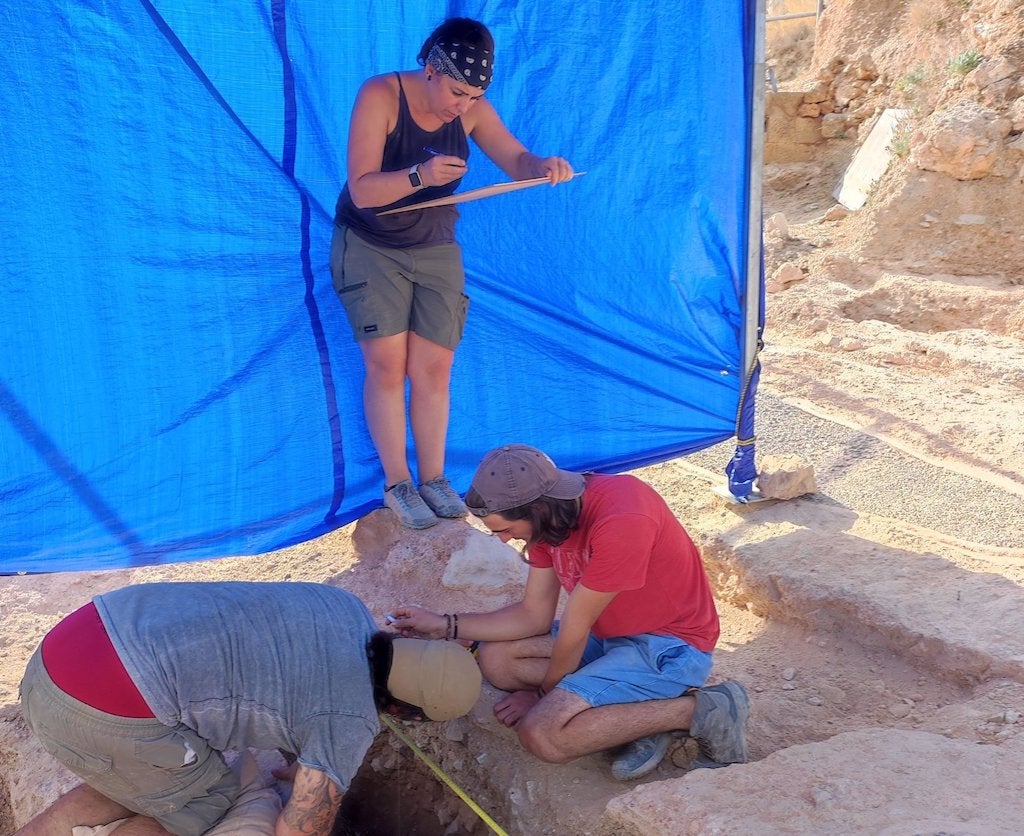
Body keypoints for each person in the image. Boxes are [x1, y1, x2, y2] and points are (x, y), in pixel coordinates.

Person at [330, 18, 574, 530]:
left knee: (435, 367)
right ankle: (398, 482)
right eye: (458, 92)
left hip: (435, 242)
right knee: (387, 366)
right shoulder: (380, 95)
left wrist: (543, 166)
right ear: (431, 68)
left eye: (475, 96)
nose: (462, 107)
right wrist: (419, 175)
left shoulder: (472, 111)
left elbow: (516, 159)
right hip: (371, 243)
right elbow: (363, 191)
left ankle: (435, 479)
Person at [389, 444, 750, 781]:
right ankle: (639, 715)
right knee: (496, 659)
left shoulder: (623, 518)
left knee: (543, 734)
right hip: (609, 635)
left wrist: (542, 696)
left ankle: (699, 711)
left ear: (536, 510)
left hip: (667, 647)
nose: (503, 539)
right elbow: (533, 615)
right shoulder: (552, 520)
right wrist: (444, 625)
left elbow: (575, 629)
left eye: (505, 529)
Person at [15, 581, 481, 835]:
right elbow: (300, 831)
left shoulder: (343, 605)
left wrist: (305, 767)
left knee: (163, 778)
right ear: (403, 712)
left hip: (70, 646)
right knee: (203, 801)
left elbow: (288, 666)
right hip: (101, 709)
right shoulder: (349, 718)